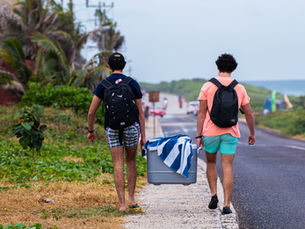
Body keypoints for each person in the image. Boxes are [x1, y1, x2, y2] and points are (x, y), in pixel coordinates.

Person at [196, 54, 255, 214]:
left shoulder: (207, 86)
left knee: (211, 163)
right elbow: (249, 113)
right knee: (227, 166)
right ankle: (227, 204)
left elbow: (201, 113)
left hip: (210, 132)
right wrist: (251, 133)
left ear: (217, 67)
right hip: (230, 132)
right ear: (233, 68)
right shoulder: (239, 87)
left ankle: (214, 194)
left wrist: (199, 136)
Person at [87, 52, 146, 212]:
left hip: (112, 128)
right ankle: (132, 199)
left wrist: (91, 130)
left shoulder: (103, 85)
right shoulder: (132, 83)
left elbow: (91, 112)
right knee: (131, 161)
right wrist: (143, 137)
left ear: (109, 66)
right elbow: (141, 113)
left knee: (117, 163)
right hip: (131, 127)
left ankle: (121, 204)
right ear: (124, 66)